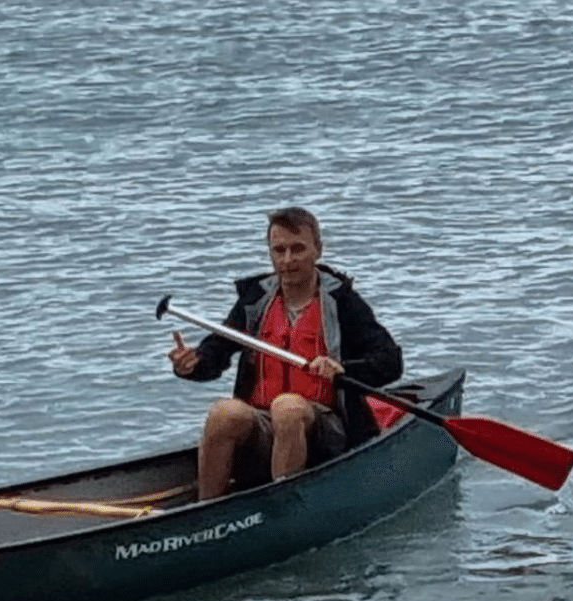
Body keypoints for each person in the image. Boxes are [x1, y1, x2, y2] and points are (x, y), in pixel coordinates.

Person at [168, 207, 403, 500]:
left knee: (288, 408)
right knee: (223, 413)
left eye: (298, 249)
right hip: (265, 423)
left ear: (318, 249)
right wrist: (192, 365)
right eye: (279, 250)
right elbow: (217, 351)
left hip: (326, 428)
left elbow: (390, 362)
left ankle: (281, 508)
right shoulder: (255, 301)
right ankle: (206, 510)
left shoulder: (343, 302)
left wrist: (343, 369)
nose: (287, 260)